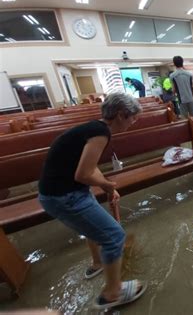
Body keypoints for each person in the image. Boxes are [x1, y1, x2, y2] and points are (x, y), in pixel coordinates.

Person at [38, 93, 147, 310]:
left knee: (95, 228)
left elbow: (88, 166)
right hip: (65, 196)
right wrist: (107, 186)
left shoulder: (94, 128)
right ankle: (112, 293)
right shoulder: (101, 133)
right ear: (120, 115)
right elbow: (83, 174)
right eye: (132, 118)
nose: (133, 123)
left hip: (63, 192)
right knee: (115, 236)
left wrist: (106, 184)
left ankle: (98, 262)